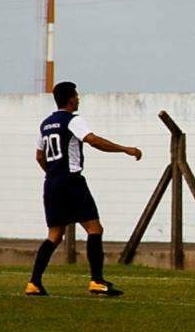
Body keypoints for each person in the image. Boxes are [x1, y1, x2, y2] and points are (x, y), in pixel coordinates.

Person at [25, 81, 142, 297]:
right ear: (70, 99)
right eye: (77, 96)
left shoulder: (45, 124)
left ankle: (34, 282)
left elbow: (40, 156)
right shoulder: (73, 120)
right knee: (94, 229)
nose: (79, 99)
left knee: (54, 234)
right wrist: (125, 149)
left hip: (51, 183)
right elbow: (93, 140)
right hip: (71, 181)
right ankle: (96, 281)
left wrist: (52, 174)